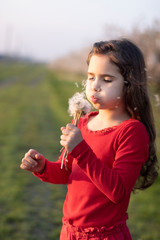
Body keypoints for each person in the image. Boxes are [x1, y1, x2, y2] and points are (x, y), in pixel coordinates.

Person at [20, 39, 159, 240]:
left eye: (107, 79)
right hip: (69, 232)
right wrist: (42, 167)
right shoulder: (83, 122)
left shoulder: (131, 131)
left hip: (103, 235)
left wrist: (81, 149)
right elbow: (67, 172)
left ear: (129, 83)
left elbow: (118, 191)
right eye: (91, 77)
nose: (95, 86)